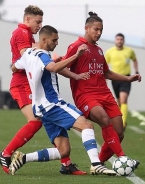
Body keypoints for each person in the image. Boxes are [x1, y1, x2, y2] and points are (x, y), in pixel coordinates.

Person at [9, 25, 116, 176]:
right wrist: (76, 56)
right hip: (52, 104)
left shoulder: (28, 53)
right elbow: (53, 68)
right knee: (86, 125)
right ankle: (96, 164)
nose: (57, 43)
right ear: (44, 39)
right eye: (54, 40)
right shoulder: (42, 55)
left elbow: (14, 67)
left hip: (40, 107)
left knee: (63, 150)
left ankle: (23, 158)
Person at [0, 5, 86, 175]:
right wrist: (53, 58)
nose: (40, 25)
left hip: (32, 85)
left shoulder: (28, 35)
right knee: (37, 120)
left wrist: (72, 74)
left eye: (41, 22)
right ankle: (5, 154)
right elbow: (28, 55)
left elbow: (38, 60)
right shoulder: (22, 33)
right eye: (38, 21)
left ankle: (66, 163)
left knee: (48, 117)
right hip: (22, 84)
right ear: (27, 19)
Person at [61, 12, 141, 166]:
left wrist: (128, 78)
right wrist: (76, 76)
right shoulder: (76, 46)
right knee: (104, 120)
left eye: (101, 30)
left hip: (105, 94)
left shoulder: (98, 50)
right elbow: (60, 67)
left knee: (119, 133)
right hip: (86, 95)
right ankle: (122, 157)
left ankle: (97, 164)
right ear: (86, 28)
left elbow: (107, 73)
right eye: (96, 29)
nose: (98, 33)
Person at [105, 33, 139, 129]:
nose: (119, 41)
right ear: (115, 40)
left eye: (121, 39)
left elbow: (135, 60)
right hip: (114, 78)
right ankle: (120, 119)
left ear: (123, 41)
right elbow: (105, 65)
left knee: (123, 99)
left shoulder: (129, 51)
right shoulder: (109, 52)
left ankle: (123, 123)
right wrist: (105, 78)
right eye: (118, 39)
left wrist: (136, 70)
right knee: (119, 101)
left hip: (126, 78)